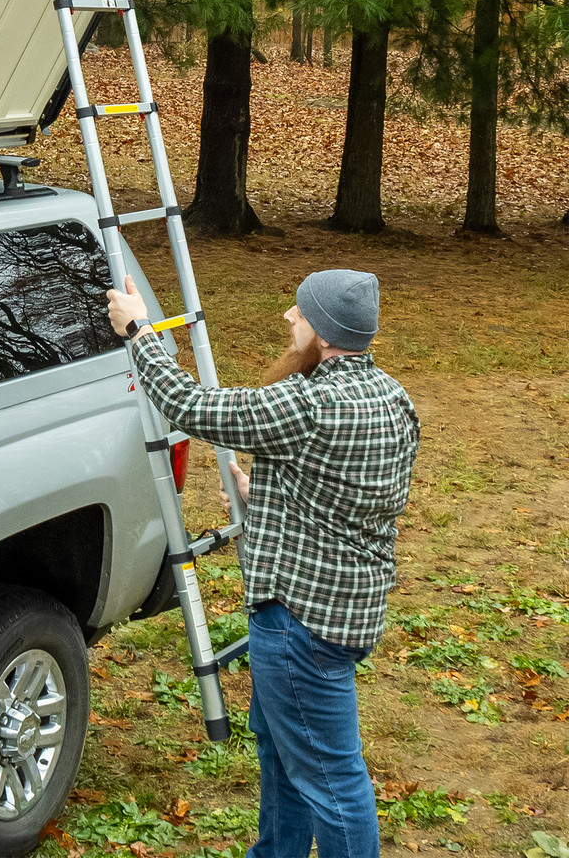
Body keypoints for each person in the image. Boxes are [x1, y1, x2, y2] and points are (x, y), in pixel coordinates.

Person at [106, 269, 419, 858]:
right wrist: (263, 495)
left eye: (299, 313)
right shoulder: (392, 397)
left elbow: (188, 405)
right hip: (349, 609)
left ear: (323, 333)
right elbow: (355, 495)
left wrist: (138, 330)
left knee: (333, 779)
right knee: (282, 749)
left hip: (300, 621)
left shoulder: (307, 402)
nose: (288, 319)